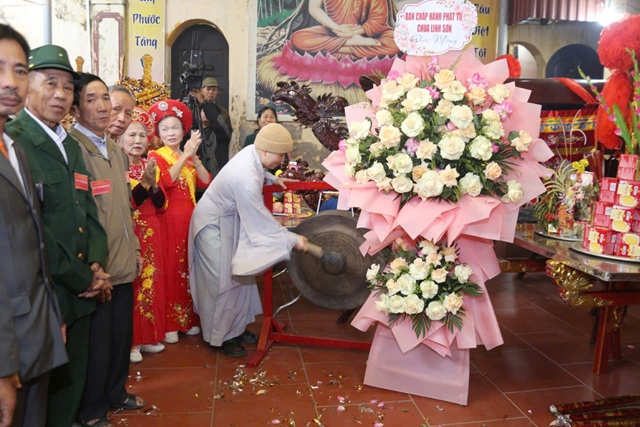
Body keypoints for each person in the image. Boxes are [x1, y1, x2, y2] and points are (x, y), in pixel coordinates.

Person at [5, 45, 110, 427]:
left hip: (80, 290)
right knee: (36, 399)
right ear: (26, 85)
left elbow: (87, 207)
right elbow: (33, 228)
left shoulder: (69, 145)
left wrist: (96, 260)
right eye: (50, 84)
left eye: (67, 87)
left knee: (70, 386)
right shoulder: (15, 142)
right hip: (47, 290)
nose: (60, 95)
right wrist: (82, 277)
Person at [189, 123, 308, 358]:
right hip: (213, 225)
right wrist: (291, 239)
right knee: (222, 282)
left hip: (230, 221)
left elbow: (257, 172)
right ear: (265, 150)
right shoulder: (245, 176)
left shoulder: (252, 153)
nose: (282, 161)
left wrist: (270, 178)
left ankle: (237, 327)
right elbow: (258, 217)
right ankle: (221, 337)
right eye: (280, 155)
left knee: (241, 276)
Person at [0, 24, 68, 427]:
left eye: (20, 70)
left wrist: (51, 315)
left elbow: (32, 242)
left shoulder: (14, 149)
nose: (11, 81)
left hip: (34, 328)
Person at [68, 73, 145, 426]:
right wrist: (91, 265)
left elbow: (124, 207)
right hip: (98, 268)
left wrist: (136, 249)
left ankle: (116, 392)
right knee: (95, 345)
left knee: (119, 337)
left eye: (105, 99)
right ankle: (92, 408)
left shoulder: (115, 150)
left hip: (123, 260)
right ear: (75, 108)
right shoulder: (73, 150)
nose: (103, 108)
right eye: (92, 99)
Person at [148, 99, 211, 344]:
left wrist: (194, 157)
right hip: (168, 221)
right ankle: (170, 323)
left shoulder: (187, 157)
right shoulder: (156, 156)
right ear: (158, 134)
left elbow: (205, 180)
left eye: (175, 127)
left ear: (183, 131)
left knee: (189, 268)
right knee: (172, 268)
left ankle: (187, 319)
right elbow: (166, 181)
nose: (171, 132)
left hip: (190, 220)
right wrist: (185, 155)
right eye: (165, 129)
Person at [122, 108, 168, 364]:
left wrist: (153, 185)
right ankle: (132, 341)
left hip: (153, 229)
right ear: (120, 138)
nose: (138, 140)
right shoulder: (118, 165)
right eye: (132, 135)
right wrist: (146, 185)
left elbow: (162, 204)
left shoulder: (147, 165)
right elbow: (127, 203)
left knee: (152, 283)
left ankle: (149, 336)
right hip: (132, 231)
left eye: (142, 135)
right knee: (135, 284)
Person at [201, 77, 232, 169]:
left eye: (214, 89)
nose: (211, 92)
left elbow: (227, 135)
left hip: (217, 154)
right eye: (208, 89)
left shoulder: (223, 111)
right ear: (202, 90)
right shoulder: (195, 108)